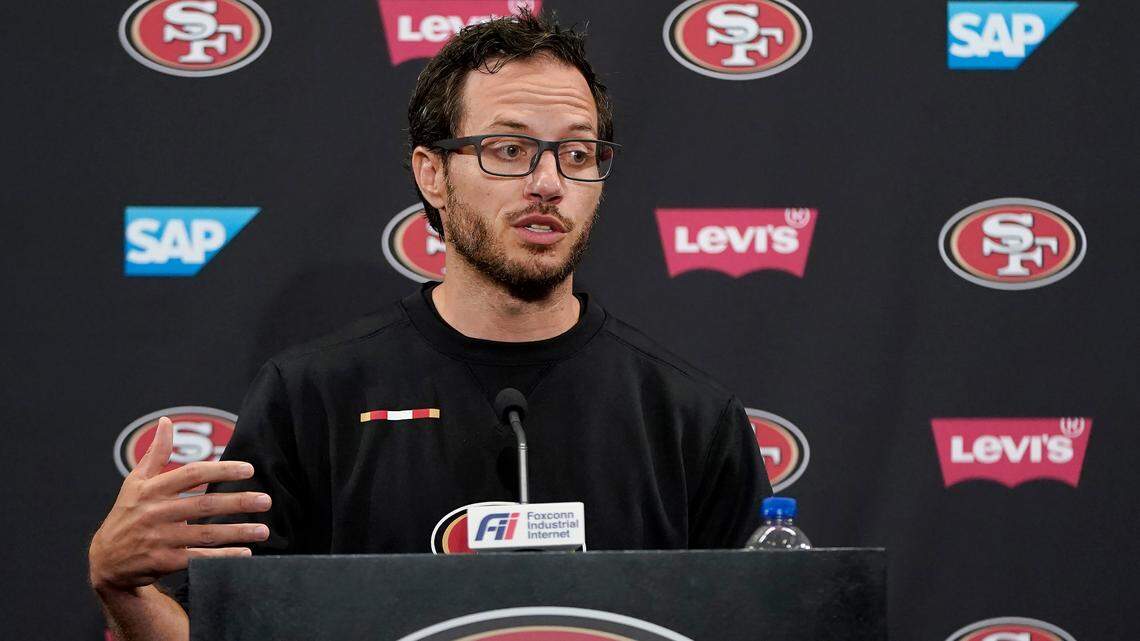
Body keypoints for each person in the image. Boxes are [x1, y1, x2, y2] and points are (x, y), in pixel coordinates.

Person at [87, 10, 771, 640]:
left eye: (578, 153)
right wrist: (120, 585)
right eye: (509, 149)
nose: (548, 182)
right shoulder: (312, 399)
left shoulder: (691, 419)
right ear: (432, 174)